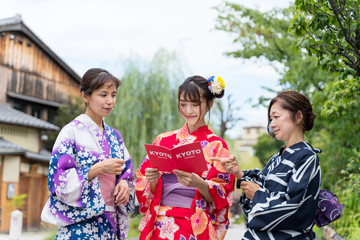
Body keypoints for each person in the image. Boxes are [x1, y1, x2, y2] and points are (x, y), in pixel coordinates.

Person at [135, 75, 235, 240]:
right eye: (183, 104)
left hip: (193, 223)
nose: (188, 110)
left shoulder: (218, 146)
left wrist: (200, 184)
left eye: (195, 105)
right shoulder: (162, 140)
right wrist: (153, 180)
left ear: (209, 104)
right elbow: (144, 185)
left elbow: (222, 196)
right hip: (161, 223)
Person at [212, 90, 321, 240]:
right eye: (270, 119)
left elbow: (293, 206)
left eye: (276, 117)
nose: (272, 124)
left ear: (298, 116)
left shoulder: (307, 157)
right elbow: (260, 189)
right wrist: (238, 173)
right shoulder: (277, 157)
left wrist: (257, 195)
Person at [41, 68, 135, 240]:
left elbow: (126, 172)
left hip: (110, 222)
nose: (110, 101)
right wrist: (97, 168)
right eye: (103, 95)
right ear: (85, 96)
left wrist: (123, 184)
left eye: (113, 95)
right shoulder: (71, 132)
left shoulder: (115, 136)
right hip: (80, 224)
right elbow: (57, 179)